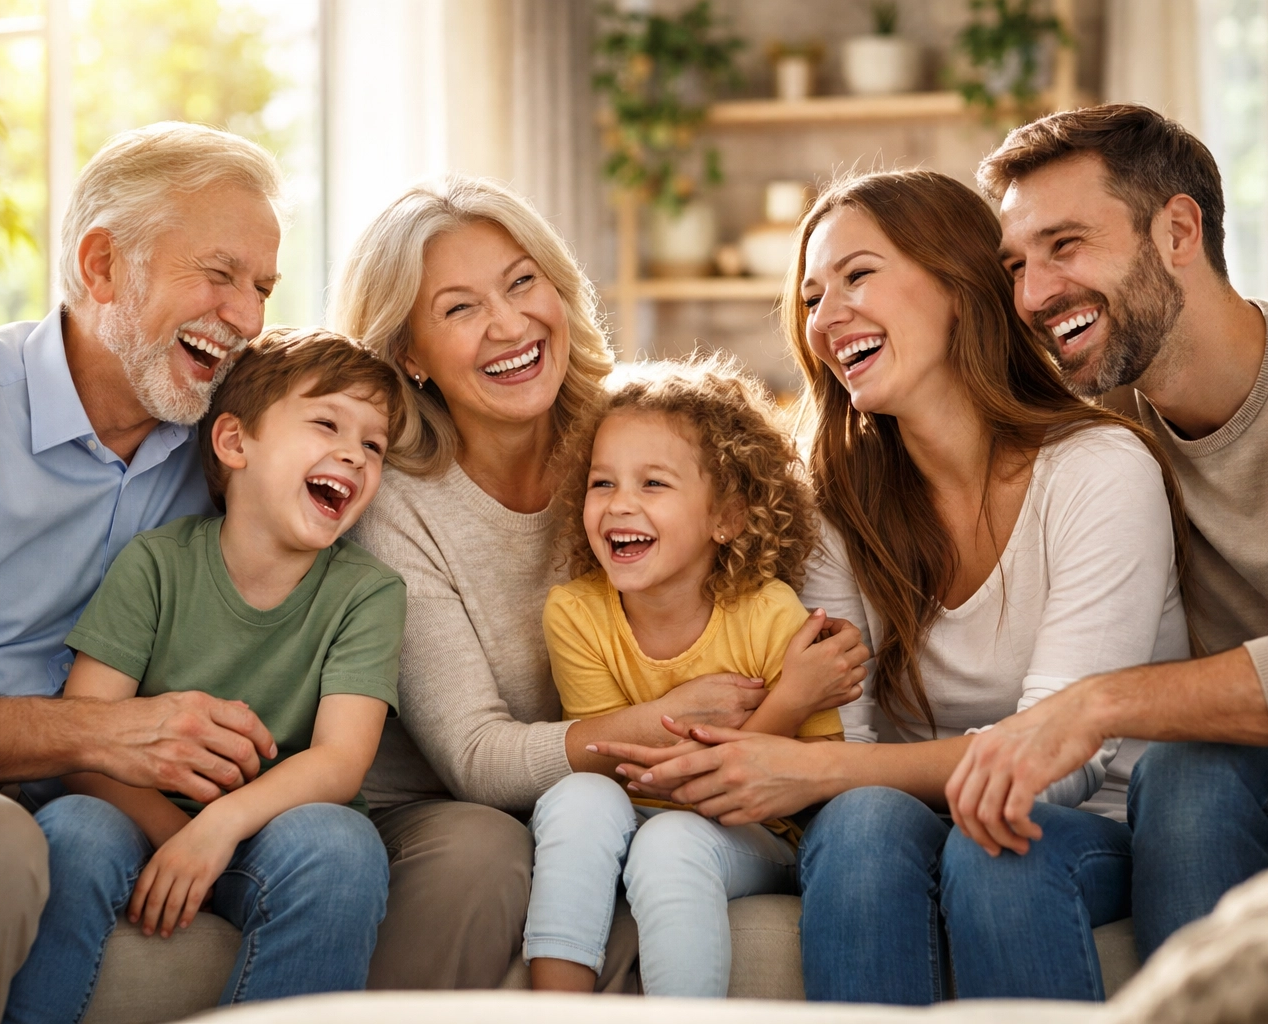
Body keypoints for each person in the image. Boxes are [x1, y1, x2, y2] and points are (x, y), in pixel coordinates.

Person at [592, 169, 1191, 1003]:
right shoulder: (841, 500)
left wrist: (807, 772)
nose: (827, 317)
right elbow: (851, 736)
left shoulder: (1098, 471)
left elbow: (1053, 769)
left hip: (1089, 830)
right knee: (864, 822)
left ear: (957, 285)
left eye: (858, 275)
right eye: (810, 297)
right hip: (904, 824)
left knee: (990, 841)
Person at [330, 176, 868, 989]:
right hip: (469, 802)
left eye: (521, 283)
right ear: (409, 355)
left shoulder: (633, 433)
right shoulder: (396, 501)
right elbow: (474, 756)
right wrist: (658, 721)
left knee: (642, 847)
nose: (510, 325)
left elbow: (778, 566)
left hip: (645, 806)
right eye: (459, 308)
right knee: (502, 845)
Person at [942, 102, 1268, 958]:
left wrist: (1101, 702)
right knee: (1185, 774)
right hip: (1253, 779)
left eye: (1066, 245)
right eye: (1017, 264)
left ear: (1179, 230)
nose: (1034, 296)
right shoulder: (1096, 423)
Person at [0, 121, 284, 1023]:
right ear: (102, 267)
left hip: (106, 799)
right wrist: (100, 735)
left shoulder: (228, 443)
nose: (247, 318)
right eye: (218, 275)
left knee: (343, 850)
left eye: (261, 288)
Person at [3, 327, 404, 1020]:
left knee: (344, 848)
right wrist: (175, 836)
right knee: (74, 828)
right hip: (139, 815)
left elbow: (341, 761)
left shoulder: (369, 593)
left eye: (373, 444)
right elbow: (85, 746)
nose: (353, 453)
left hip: (269, 830)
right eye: (326, 422)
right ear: (233, 443)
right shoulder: (155, 565)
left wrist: (216, 830)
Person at [527, 359, 849, 998]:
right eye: (602, 482)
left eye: (654, 484)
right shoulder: (576, 613)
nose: (621, 503)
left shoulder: (768, 615)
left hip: (753, 831)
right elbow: (611, 766)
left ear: (725, 516)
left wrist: (786, 708)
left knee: (671, 842)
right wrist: (780, 704)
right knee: (573, 799)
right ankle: (555, 1012)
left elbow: (815, 777)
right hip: (632, 813)